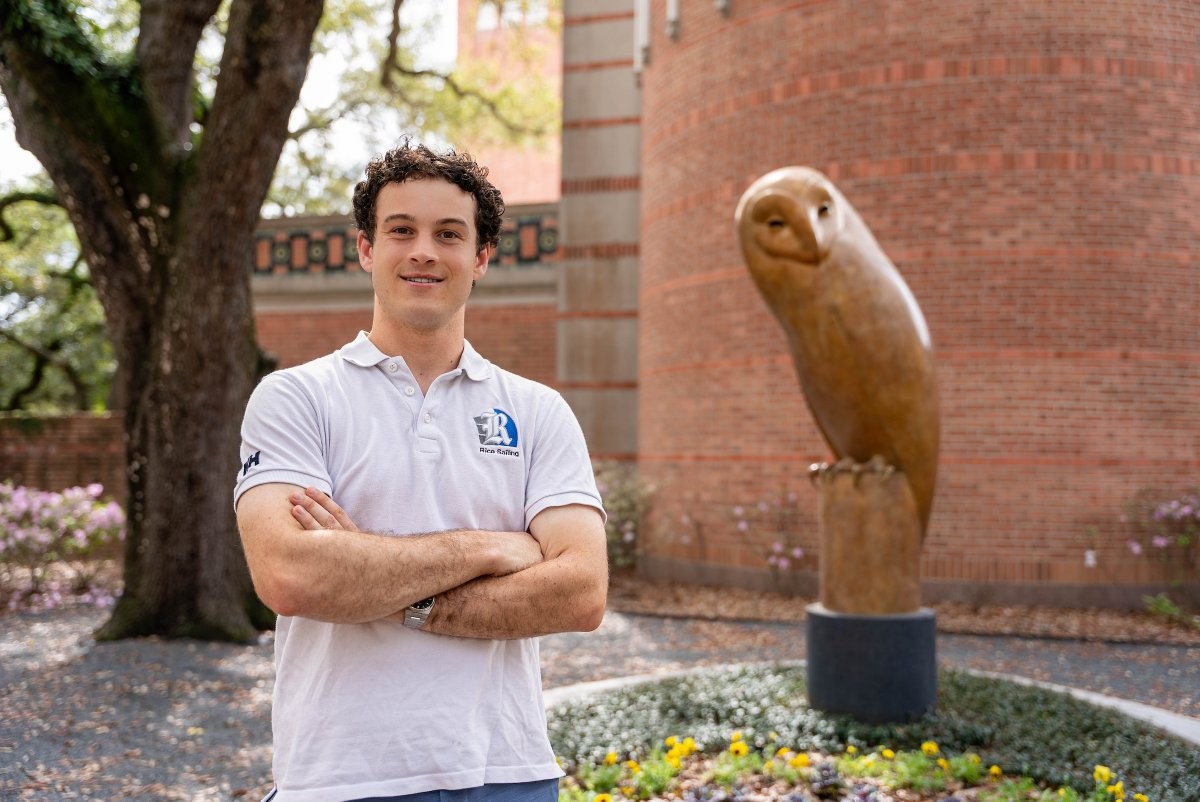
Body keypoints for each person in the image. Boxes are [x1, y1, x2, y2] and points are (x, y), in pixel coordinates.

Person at [234, 141, 608, 802]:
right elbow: (291, 576)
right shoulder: (295, 398)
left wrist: (375, 582)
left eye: (449, 234)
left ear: (481, 257)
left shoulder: (538, 410)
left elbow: (580, 593)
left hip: (507, 772)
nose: (424, 252)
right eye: (401, 230)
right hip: (340, 777)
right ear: (366, 249)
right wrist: (490, 549)